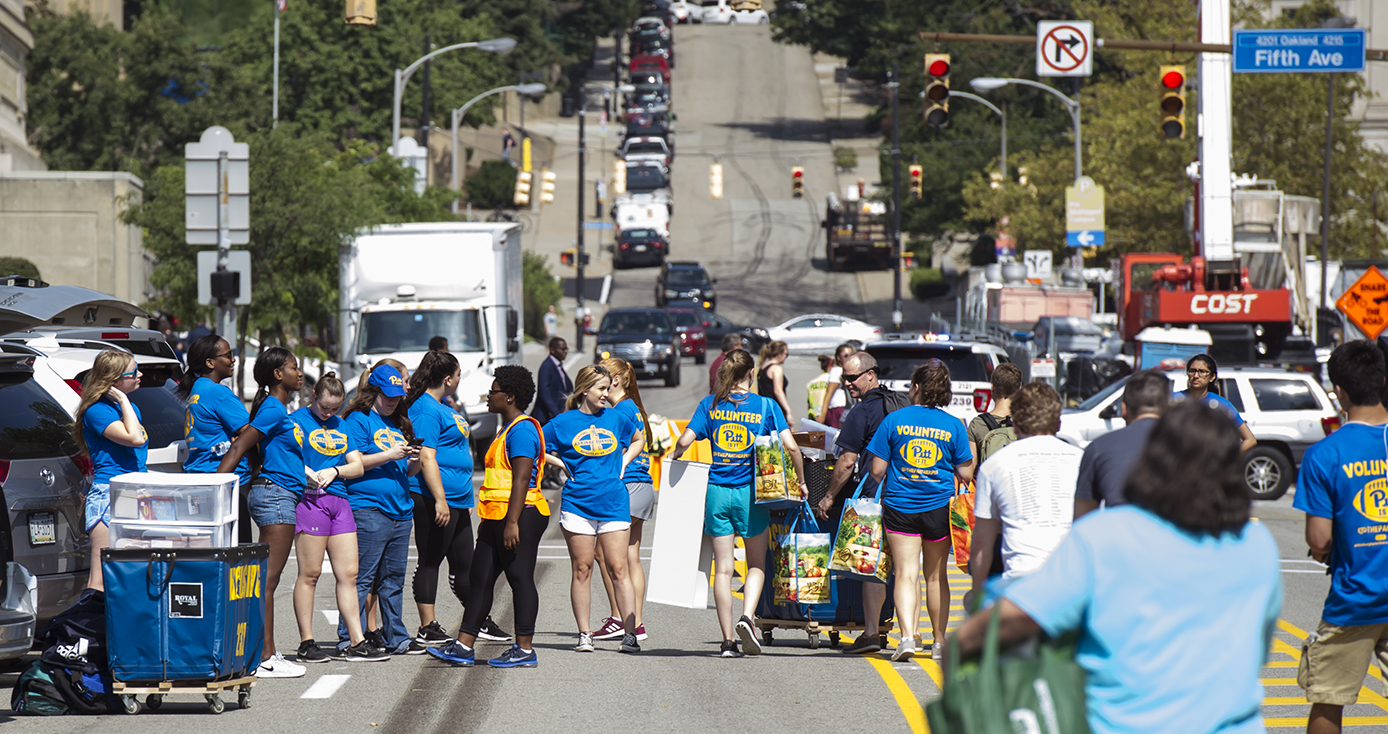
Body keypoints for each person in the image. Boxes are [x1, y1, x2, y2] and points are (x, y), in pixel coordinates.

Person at [950, 399, 1282, 734]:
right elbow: (1257, 646)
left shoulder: (1105, 537)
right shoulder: (1258, 547)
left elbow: (1016, 620)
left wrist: (960, 642)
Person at [673, 349, 808, 658]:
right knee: (757, 564)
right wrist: (800, 481)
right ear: (751, 374)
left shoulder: (710, 405)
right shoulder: (766, 406)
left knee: (722, 570)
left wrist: (675, 459)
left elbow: (684, 441)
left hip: (717, 492)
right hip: (751, 494)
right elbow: (792, 448)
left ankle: (726, 642)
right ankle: (747, 617)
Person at [1293, 341, 1388, 734]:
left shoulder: (1324, 454)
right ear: (1382, 380)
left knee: (1328, 699)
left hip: (1355, 601)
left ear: (1340, 392)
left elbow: (1319, 540)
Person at [428, 365, 550, 668]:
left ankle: (524, 649)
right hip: (496, 517)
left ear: (509, 397)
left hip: (521, 516)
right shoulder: (506, 429)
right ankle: (463, 645)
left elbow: (522, 478)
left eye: (492, 392)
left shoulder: (521, 429)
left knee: (520, 579)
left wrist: (511, 523)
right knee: (479, 579)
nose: (488, 396)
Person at [864, 360, 974, 662]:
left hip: (900, 506)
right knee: (936, 577)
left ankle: (909, 636)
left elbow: (876, 470)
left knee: (905, 574)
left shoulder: (894, 420)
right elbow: (966, 472)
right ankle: (939, 642)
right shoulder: (954, 425)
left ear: (916, 388)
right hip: (939, 508)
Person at [217, 347, 313, 677]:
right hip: (275, 497)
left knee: (263, 581)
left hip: (278, 494)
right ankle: (265, 657)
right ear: (278, 375)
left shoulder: (275, 409)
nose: (299, 373)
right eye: (294, 368)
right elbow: (240, 445)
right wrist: (215, 487)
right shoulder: (272, 409)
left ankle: (261, 653)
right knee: (266, 582)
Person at [544, 365, 645, 654]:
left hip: (614, 503)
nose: (606, 393)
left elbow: (638, 439)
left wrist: (624, 462)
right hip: (578, 505)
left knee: (618, 567)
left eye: (608, 388)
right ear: (584, 390)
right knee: (582, 568)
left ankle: (630, 634)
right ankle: (584, 634)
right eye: (601, 388)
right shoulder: (563, 422)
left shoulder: (617, 417)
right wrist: (562, 464)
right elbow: (538, 445)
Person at [289, 374, 389, 663]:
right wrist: (307, 473)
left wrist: (335, 471)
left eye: (334, 408)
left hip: (339, 500)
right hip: (311, 501)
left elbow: (356, 467)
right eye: (324, 408)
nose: (329, 413)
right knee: (311, 574)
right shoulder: (297, 420)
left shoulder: (341, 425)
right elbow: (286, 457)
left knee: (349, 574)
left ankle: (356, 641)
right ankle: (307, 642)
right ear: (313, 398)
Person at [814, 351, 897, 655]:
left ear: (871, 374)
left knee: (870, 565)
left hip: (874, 498)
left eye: (852, 377)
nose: (847, 383)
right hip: (907, 496)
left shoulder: (861, 412)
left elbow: (847, 462)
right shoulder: (898, 404)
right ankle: (914, 635)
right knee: (905, 568)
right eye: (844, 377)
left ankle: (872, 632)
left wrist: (829, 496)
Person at [969, 382, 1081, 604]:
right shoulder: (1082, 460)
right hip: (1069, 585)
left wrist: (976, 593)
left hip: (1018, 589)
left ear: (1016, 423)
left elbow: (982, 542)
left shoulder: (994, 465)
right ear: (1058, 422)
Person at [340, 365, 422, 656]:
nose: (392, 401)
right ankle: (350, 637)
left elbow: (410, 472)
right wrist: (391, 454)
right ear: (373, 391)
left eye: (397, 396)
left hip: (401, 509)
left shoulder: (399, 422)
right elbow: (356, 462)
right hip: (368, 508)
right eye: (387, 395)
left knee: (393, 581)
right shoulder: (358, 419)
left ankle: (395, 636)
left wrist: (415, 458)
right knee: (361, 578)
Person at [404, 351, 477, 652]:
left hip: (458, 498)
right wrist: (440, 500)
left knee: (466, 564)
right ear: (448, 379)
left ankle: (477, 616)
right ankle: (427, 625)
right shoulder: (424, 409)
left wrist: (464, 497)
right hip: (433, 497)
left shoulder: (442, 405)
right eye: (458, 375)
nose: (459, 380)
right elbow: (425, 455)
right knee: (431, 560)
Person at [593, 358, 656, 643]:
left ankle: (620, 617)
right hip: (643, 484)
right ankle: (636, 622)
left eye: (603, 378)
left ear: (616, 380)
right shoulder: (633, 407)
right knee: (631, 556)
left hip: (628, 485)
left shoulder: (621, 409)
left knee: (608, 555)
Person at [73, 350, 148, 592]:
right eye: (133, 372)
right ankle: (90, 629)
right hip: (110, 494)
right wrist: (123, 400)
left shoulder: (130, 408)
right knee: (101, 579)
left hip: (137, 491)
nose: (140, 374)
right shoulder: (98, 410)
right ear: (114, 381)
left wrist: (125, 403)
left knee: (134, 574)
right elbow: (134, 438)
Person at [177, 335, 253, 541]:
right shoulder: (218, 392)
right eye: (228, 356)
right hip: (223, 483)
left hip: (199, 481)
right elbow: (251, 433)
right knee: (237, 555)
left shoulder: (198, 389)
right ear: (210, 362)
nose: (233, 360)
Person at [1074, 370, 1170, 518]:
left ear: (1124, 409)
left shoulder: (1099, 447)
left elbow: (1082, 518)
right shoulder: (1192, 447)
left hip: (1119, 536)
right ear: (1169, 408)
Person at [1175, 354, 1256, 453]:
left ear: (1212, 377)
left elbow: (1250, 440)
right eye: (1192, 371)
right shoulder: (1173, 399)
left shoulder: (1221, 405)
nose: (1196, 376)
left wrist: (1225, 461)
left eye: (1202, 371)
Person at [966, 363, 1022, 461]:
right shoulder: (1026, 423)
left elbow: (969, 473)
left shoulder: (977, 424)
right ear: (1019, 389)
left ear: (992, 388)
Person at [533, 336, 572, 426]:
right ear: (552, 350)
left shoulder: (558, 366)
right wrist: (556, 413)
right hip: (546, 417)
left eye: (566, 349)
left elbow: (567, 388)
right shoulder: (547, 366)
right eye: (562, 349)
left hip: (557, 415)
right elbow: (544, 392)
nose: (565, 352)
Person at [757, 340, 794, 427]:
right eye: (786, 354)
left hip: (764, 409)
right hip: (775, 410)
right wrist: (788, 411)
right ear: (779, 354)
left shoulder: (763, 367)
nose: (786, 357)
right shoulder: (776, 368)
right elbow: (778, 391)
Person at [820, 343, 856, 428]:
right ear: (838, 357)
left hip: (845, 408)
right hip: (837, 409)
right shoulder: (837, 371)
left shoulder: (845, 371)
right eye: (846, 355)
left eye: (851, 355)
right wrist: (823, 414)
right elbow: (829, 392)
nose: (849, 358)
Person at [806, 355, 833, 423]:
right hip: (827, 414)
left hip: (813, 415)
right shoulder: (832, 381)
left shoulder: (812, 382)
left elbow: (809, 402)